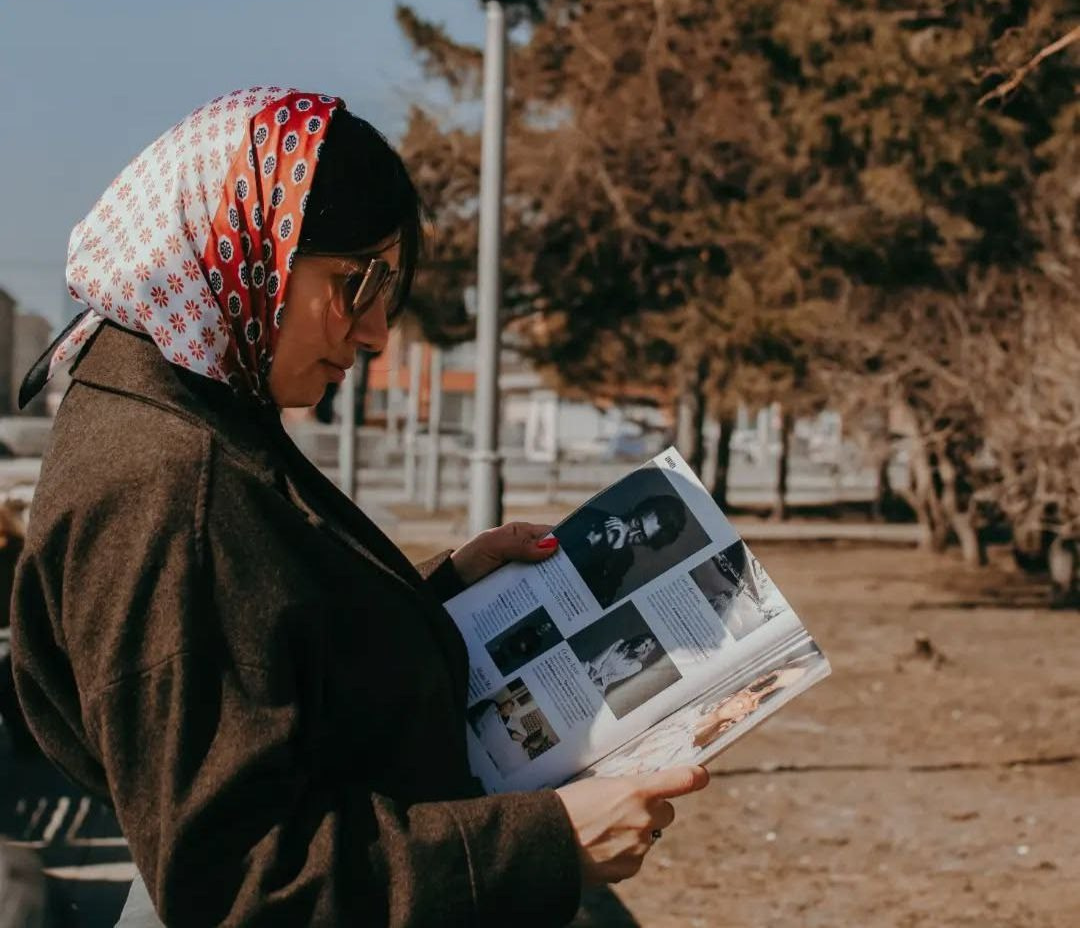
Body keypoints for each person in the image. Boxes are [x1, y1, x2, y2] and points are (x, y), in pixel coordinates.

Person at [9, 88, 708, 927]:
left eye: (388, 286)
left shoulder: (187, 407)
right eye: (354, 282)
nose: (376, 330)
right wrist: (547, 842)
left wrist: (442, 589)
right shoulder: (168, 485)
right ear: (245, 249)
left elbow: (262, 638)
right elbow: (240, 884)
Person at [560, 495, 687, 608]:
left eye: (641, 536)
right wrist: (589, 544)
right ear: (637, 510)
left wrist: (615, 549)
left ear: (646, 543)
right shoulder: (588, 515)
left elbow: (601, 602)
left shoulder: (624, 559)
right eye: (637, 522)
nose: (631, 533)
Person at [586, 635, 659, 694]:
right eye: (644, 641)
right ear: (640, 638)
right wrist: (592, 670)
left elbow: (612, 678)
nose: (642, 645)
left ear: (647, 652)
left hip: (600, 683)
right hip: (590, 668)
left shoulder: (637, 666)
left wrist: (597, 683)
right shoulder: (620, 643)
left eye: (647, 647)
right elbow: (601, 658)